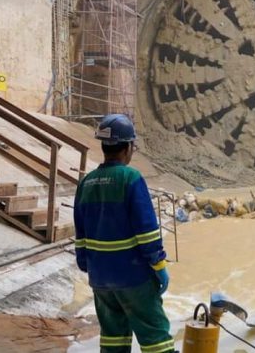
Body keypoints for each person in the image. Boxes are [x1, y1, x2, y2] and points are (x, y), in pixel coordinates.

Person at [74, 114, 175, 353]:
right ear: (128, 147)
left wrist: (89, 266)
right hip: (133, 276)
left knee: (113, 337)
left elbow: (81, 236)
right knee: (155, 334)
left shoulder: (86, 183)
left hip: (100, 279)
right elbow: (147, 231)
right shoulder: (130, 178)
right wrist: (159, 267)